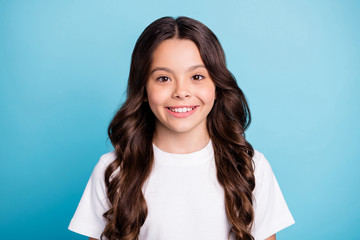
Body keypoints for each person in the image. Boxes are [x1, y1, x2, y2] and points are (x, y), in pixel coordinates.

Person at [68, 16, 295, 240]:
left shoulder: (251, 167)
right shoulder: (114, 169)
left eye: (197, 76)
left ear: (216, 85)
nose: (181, 92)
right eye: (163, 78)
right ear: (143, 90)